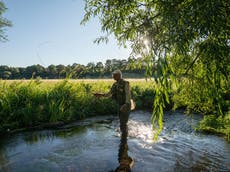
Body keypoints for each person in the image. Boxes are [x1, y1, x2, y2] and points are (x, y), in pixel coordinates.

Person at [94, 70, 134, 170]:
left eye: (114, 76)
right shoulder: (115, 85)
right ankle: (124, 138)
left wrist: (126, 105)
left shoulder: (126, 83)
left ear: (119, 75)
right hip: (120, 106)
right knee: (122, 123)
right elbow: (109, 94)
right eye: (113, 76)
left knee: (123, 123)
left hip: (126, 106)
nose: (113, 77)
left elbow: (128, 96)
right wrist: (100, 95)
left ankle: (124, 140)